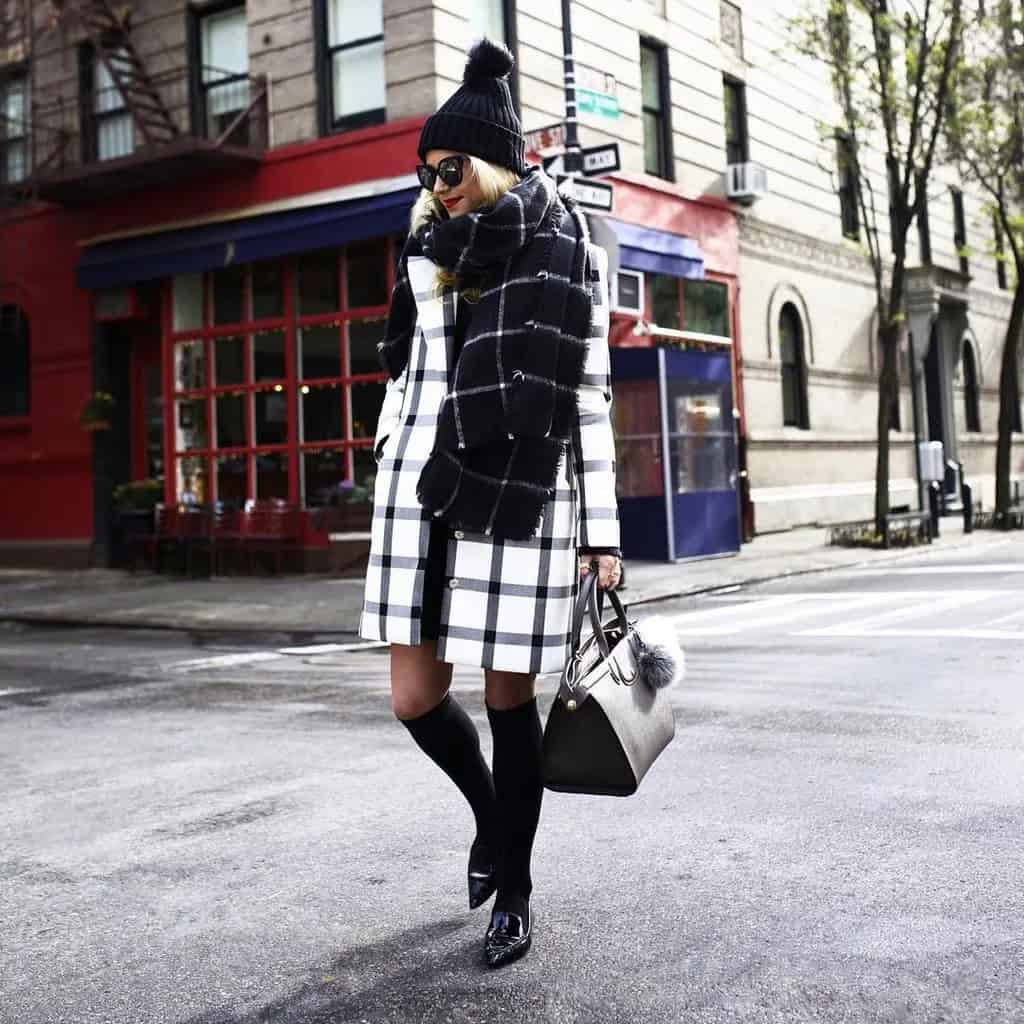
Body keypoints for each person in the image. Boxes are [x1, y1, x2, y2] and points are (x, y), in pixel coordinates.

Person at [359, 37, 621, 968]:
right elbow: (408, 357)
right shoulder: (424, 229)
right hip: (419, 485)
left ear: (494, 159)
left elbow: (585, 396)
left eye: (452, 166)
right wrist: (389, 437)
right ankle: (488, 817)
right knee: (412, 696)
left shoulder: (560, 243)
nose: (437, 183)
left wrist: (603, 535)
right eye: (427, 169)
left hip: (517, 488)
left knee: (509, 701)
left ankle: (516, 889)